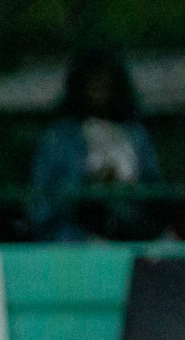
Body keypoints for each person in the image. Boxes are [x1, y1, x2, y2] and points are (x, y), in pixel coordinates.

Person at [29, 48, 163, 241]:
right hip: (71, 241)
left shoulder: (136, 135)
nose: (99, 90)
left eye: (105, 83)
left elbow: (154, 192)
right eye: (92, 83)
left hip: (128, 236)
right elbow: (40, 203)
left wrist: (124, 187)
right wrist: (86, 186)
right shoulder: (59, 137)